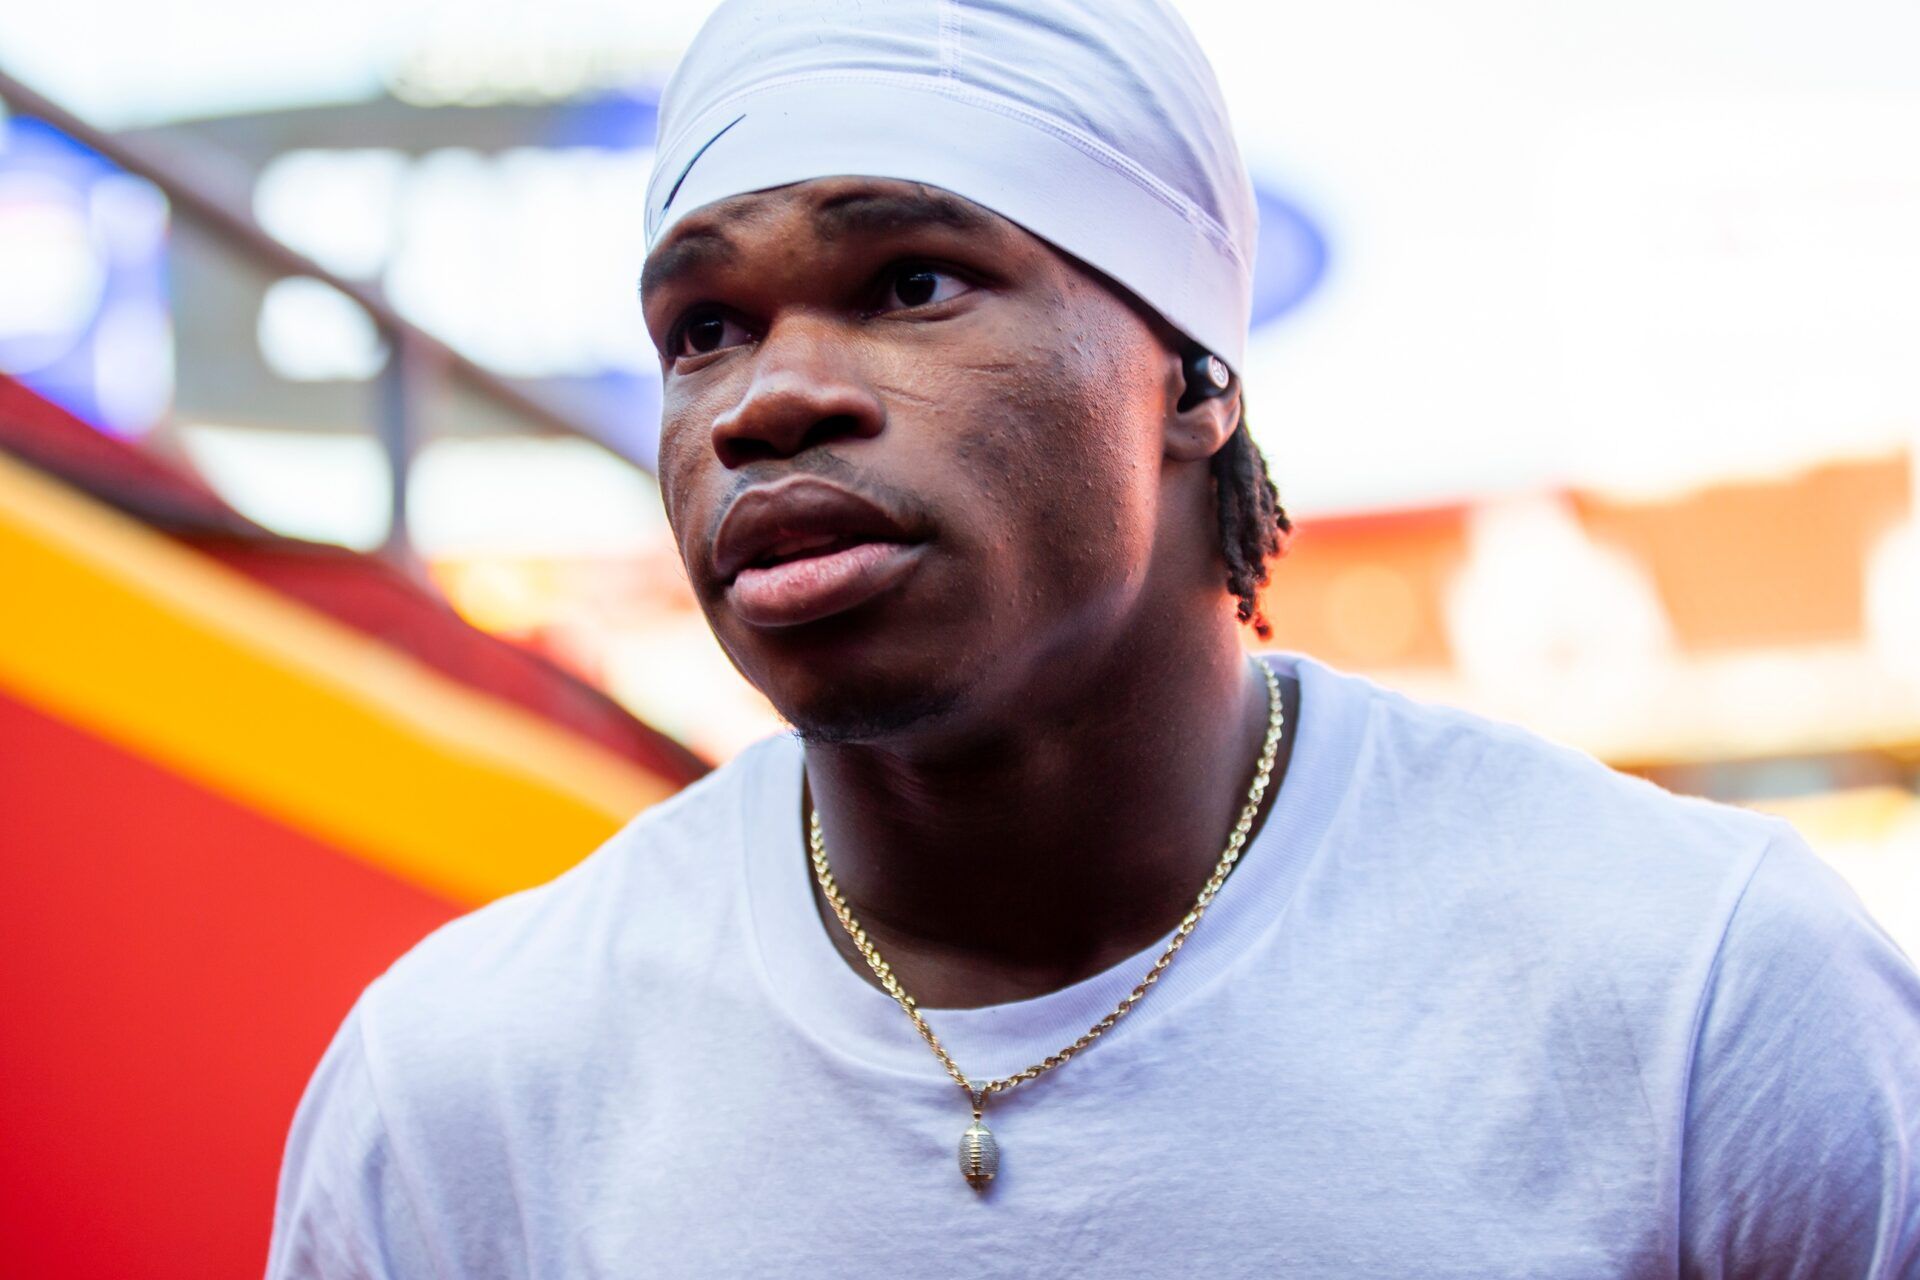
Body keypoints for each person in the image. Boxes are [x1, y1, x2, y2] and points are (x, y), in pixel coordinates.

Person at [266, 1, 1920, 1275]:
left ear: (1191, 380)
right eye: (705, 327)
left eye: (912, 281)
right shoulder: (470, 1079)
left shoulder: (1699, 992)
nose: (769, 397)